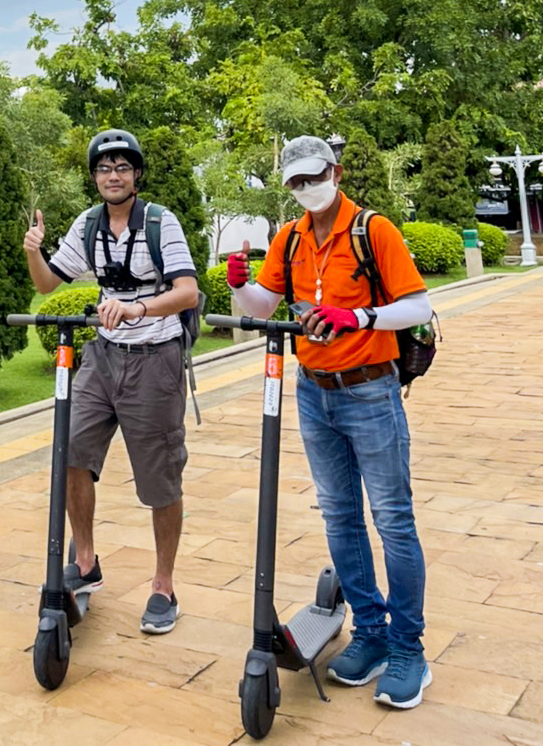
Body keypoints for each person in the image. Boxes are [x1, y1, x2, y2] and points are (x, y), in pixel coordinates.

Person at [227, 135, 434, 709]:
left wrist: (358, 315)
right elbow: (264, 309)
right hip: (314, 394)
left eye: (312, 177)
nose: (304, 189)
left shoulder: (374, 229)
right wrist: (242, 283)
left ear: (335, 171)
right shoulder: (289, 237)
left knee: (392, 519)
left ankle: (408, 648)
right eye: (294, 182)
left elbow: (418, 306)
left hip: (370, 390)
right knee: (340, 517)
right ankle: (369, 632)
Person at [23, 129, 200, 635]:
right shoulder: (88, 224)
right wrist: (33, 250)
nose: (113, 176)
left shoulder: (161, 223)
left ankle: (164, 585)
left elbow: (187, 292)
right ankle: (84, 561)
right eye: (104, 169)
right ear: (95, 177)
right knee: (72, 450)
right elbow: (46, 284)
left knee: (160, 476)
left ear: (137, 174)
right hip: (102, 357)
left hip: (155, 359)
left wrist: (137, 307)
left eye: (122, 167)